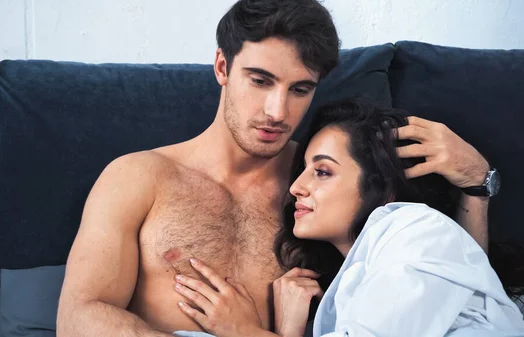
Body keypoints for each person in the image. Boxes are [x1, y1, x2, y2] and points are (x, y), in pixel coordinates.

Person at [55, 1, 495, 336]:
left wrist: (476, 181)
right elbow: (79, 316)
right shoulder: (138, 176)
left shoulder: (328, 182)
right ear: (223, 67)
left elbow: (451, 282)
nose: (277, 111)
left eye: (300, 89)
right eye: (260, 80)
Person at [172, 99, 524, 337]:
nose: (295, 187)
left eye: (323, 171)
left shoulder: (416, 229)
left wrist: (246, 331)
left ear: (383, 189)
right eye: (303, 169)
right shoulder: (358, 280)